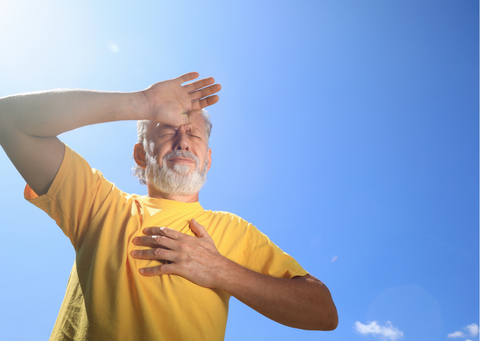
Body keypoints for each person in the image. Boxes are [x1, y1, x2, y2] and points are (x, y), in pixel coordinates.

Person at [0, 72, 338, 340]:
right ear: (140, 154)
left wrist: (218, 270)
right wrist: (141, 102)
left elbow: (323, 311)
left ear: (208, 158)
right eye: (166, 132)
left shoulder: (234, 231)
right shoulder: (98, 203)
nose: (182, 141)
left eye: (194, 135)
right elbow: (8, 118)